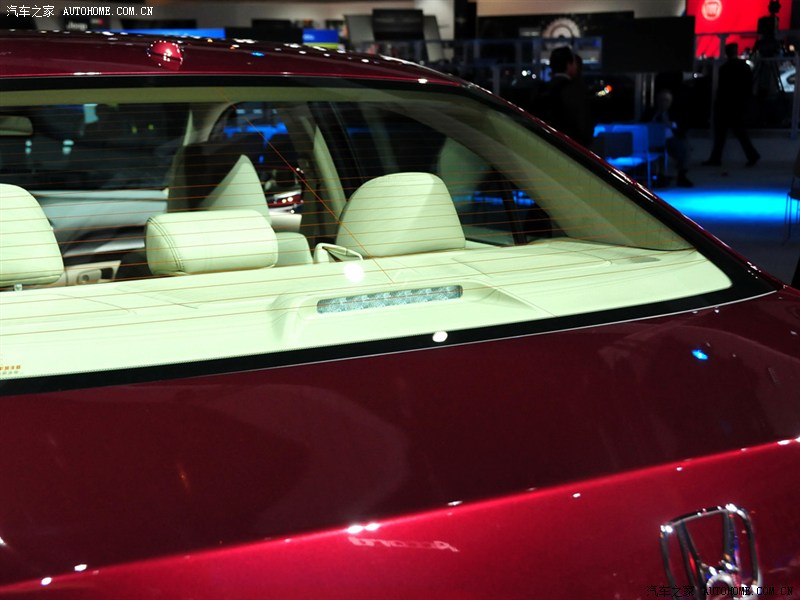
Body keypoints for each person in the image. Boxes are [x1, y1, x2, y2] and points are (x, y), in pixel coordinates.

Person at [702, 43, 761, 167]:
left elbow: (722, 88)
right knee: (739, 131)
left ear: (726, 53)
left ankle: (716, 158)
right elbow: (749, 85)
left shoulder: (724, 68)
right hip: (739, 103)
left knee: (721, 132)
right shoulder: (744, 67)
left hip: (726, 103)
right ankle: (752, 155)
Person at [541, 46, 593, 147]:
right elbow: (583, 126)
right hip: (570, 148)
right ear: (569, 65)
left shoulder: (542, 89)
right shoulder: (575, 91)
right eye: (574, 63)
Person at [644, 89, 693, 187]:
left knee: (684, 148)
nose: (663, 103)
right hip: (652, 140)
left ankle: (682, 176)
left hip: (671, 139)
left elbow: (683, 127)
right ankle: (654, 176)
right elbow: (642, 124)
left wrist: (672, 124)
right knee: (648, 151)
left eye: (666, 100)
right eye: (661, 100)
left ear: (671, 101)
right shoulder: (650, 112)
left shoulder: (676, 112)